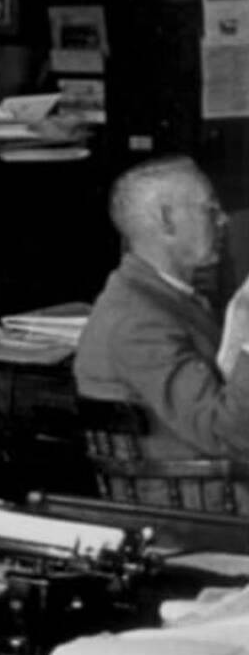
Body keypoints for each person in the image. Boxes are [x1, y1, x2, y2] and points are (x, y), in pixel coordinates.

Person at [74, 157, 249, 459]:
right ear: (166, 221)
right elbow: (228, 433)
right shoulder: (137, 322)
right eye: (210, 210)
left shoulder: (160, 298)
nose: (223, 220)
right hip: (207, 497)